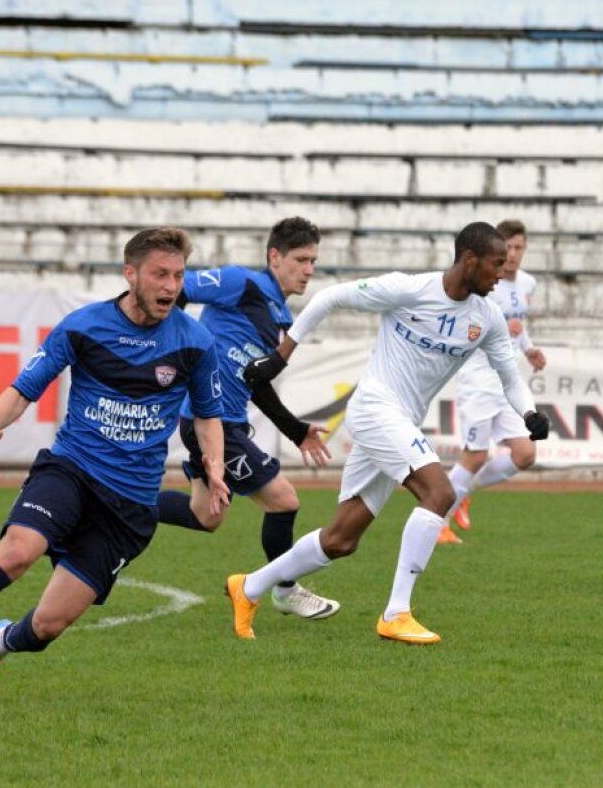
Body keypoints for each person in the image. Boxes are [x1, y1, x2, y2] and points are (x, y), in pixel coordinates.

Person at [0, 227, 229, 699]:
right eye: (160, 274)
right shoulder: (83, 326)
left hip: (129, 503)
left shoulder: (195, 341)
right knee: (16, 552)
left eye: (177, 275)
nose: (171, 286)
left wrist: (214, 465)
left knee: (48, 626)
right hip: (72, 469)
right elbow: (25, 386)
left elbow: (210, 416)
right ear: (130, 274)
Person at [225, 222, 550, 644]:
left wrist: (529, 412)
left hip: (401, 421)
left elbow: (509, 375)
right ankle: (396, 613)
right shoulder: (409, 290)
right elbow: (329, 297)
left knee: (341, 539)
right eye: (495, 264)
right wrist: (280, 358)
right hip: (376, 408)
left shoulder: (486, 317)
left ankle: (248, 587)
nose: (501, 273)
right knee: (440, 494)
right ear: (470, 260)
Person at [156, 216, 340, 620]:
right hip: (211, 421)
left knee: (205, 516)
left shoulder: (278, 315)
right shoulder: (241, 282)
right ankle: (285, 590)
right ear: (275, 256)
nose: (309, 269)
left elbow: (254, 382)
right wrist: (173, 346)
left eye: (313, 261)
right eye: (301, 259)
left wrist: (296, 430)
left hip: (228, 422)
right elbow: (178, 289)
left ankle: (117, 501)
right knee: (284, 502)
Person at [441, 218, 547, 543]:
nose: (513, 254)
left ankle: (461, 495)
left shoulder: (527, 283)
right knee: (475, 456)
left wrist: (528, 350)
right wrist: (504, 323)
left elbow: (519, 325)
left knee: (525, 455)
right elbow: (471, 320)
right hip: (478, 376)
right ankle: (438, 520)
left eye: (519, 248)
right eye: (508, 247)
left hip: (508, 376)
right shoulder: (484, 280)